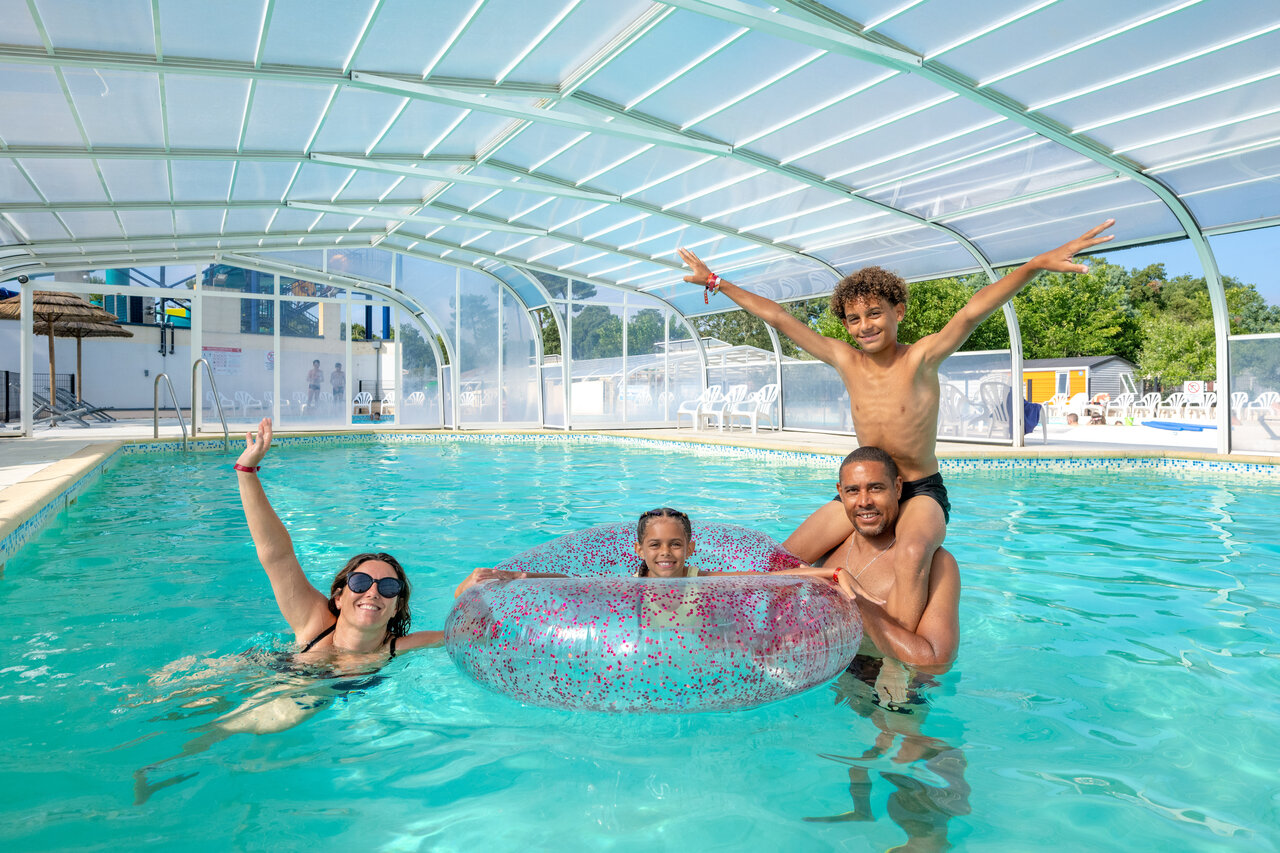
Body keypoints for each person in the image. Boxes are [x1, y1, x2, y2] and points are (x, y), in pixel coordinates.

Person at [679, 220, 1115, 633]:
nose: (865, 325)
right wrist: (716, 281)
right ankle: (769, 629)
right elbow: (778, 317)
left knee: (910, 552)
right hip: (866, 491)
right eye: (854, 318)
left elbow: (971, 312)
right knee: (784, 556)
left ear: (898, 311)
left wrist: (1035, 264)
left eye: (875, 313)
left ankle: (896, 659)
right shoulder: (846, 360)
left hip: (920, 489)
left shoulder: (921, 358)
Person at [236, 417, 443, 659]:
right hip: (258, 674)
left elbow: (464, 635)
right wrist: (246, 472)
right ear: (339, 598)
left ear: (396, 607)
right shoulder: (315, 623)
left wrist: (468, 590)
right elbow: (277, 556)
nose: (373, 592)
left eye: (388, 587)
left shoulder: (395, 648)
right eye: (360, 582)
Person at [454, 507, 701, 596]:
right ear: (639, 550)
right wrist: (519, 577)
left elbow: (741, 582)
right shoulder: (631, 587)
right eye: (655, 544)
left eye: (676, 544)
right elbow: (574, 585)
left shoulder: (700, 580)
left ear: (689, 549)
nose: (665, 552)